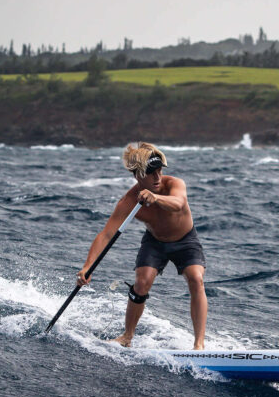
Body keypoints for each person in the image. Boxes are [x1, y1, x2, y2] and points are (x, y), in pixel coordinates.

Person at [76, 142, 207, 350]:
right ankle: (127, 336)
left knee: (196, 278)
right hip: (155, 243)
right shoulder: (128, 202)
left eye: (159, 171)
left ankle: (199, 345)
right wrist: (87, 266)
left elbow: (179, 203)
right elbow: (106, 234)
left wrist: (156, 198)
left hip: (186, 241)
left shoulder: (174, 184)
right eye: (150, 173)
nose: (157, 178)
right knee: (141, 283)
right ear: (137, 175)